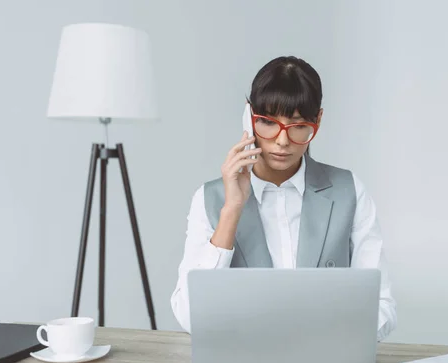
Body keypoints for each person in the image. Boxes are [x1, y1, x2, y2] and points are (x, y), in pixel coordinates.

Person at [170, 56, 397, 341]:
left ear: (318, 121)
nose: (281, 140)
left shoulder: (348, 191)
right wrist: (232, 210)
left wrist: (330, 341)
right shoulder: (210, 198)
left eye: (298, 125)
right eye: (267, 122)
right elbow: (188, 314)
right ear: (249, 118)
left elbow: (382, 304)